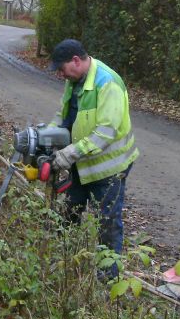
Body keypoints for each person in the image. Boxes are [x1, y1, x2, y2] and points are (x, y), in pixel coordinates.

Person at [47, 39, 139, 273]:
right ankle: (64, 261)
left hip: (109, 169)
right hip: (83, 163)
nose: (60, 74)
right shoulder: (75, 81)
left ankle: (108, 279)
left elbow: (105, 132)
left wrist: (71, 152)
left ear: (76, 61)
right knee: (70, 210)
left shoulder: (107, 83)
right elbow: (63, 115)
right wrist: (47, 135)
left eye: (62, 68)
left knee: (107, 223)